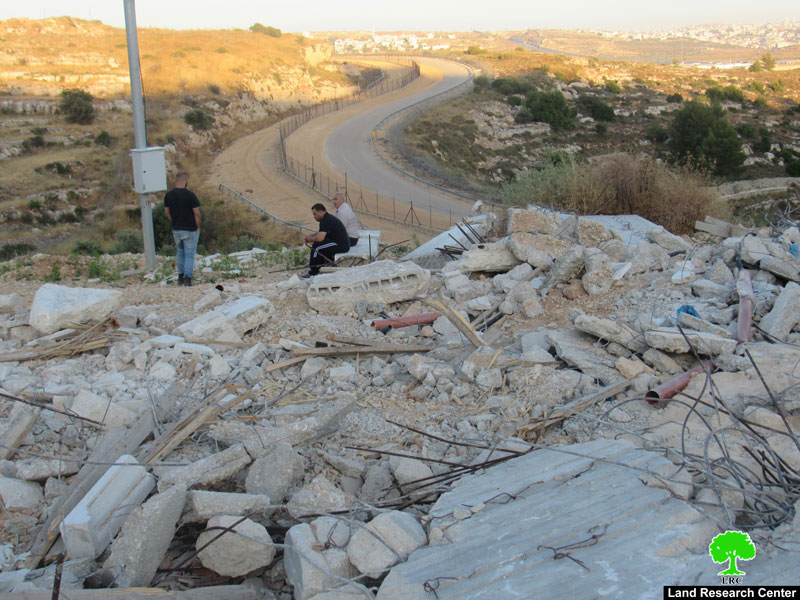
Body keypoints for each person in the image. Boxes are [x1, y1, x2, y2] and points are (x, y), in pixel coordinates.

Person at [164, 171, 201, 287]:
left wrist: (173, 221)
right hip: (190, 229)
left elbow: (166, 212)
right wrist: (198, 226)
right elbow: (197, 213)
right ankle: (188, 279)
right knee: (189, 254)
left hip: (176, 229)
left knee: (180, 252)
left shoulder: (169, 195)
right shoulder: (190, 195)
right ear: (186, 180)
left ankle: (180, 277)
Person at [302, 203, 350, 279]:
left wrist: (310, 239)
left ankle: (313, 271)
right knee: (319, 244)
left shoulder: (326, 220)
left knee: (317, 247)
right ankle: (319, 266)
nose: (314, 217)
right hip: (338, 242)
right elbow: (321, 233)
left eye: (315, 214)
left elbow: (320, 238)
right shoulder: (327, 218)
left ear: (321, 212)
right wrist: (311, 236)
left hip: (341, 244)